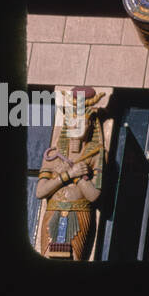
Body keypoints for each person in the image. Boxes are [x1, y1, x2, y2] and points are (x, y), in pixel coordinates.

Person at [35, 88, 106, 260]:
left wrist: (78, 178)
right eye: (72, 121)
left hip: (79, 213)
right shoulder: (54, 154)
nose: (76, 126)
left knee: (73, 258)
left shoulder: (96, 156)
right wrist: (67, 175)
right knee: (47, 257)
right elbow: (40, 192)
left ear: (91, 125)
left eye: (82, 122)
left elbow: (94, 195)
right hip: (53, 211)